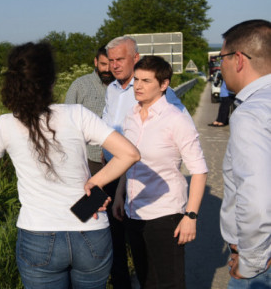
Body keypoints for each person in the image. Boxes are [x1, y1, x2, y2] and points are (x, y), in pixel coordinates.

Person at [0, 41, 140, 289]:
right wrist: (95, 181)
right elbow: (130, 154)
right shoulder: (77, 114)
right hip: (89, 228)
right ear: (51, 81)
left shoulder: (5, 124)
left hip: (38, 235)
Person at [112, 56, 208, 288]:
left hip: (165, 216)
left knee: (170, 283)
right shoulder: (130, 117)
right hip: (134, 212)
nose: (138, 86)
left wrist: (190, 216)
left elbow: (199, 170)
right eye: (136, 79)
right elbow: (127, 160)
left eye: (146, 80)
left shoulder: (176, 120)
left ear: (164, 84)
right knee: (146, 281)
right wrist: (119, 195)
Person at [101, 36, 187, 288]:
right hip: (115, 175)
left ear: (135, 58)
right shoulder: (112, 90)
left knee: (157, 255)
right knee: (117, 241)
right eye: (111, 60)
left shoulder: (160, 92)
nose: (114, 65)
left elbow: (180, 135)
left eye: (120, 59)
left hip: (147, 179)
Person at [218, 19, 271, 287]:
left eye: (222, 57)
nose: (220, 65)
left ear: (238, 59)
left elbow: (256, 199)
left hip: (262, 261)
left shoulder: (251, 114)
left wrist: (251, 263)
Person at [64, 46, 116, 176]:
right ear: (95, 62)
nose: (107, 69)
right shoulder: (80, 85)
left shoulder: (123, 86)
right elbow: (67, 121)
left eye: (111, 65)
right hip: (90, 159)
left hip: (120, 157)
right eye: (103, 64)